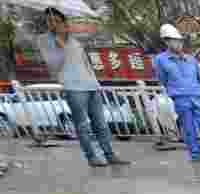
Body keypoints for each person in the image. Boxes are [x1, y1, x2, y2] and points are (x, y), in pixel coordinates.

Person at [35, 7, 130, 168]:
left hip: (91, 85)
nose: (53, 24)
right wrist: (60, 46)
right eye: (49, 21)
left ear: (64, 22)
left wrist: (95, 82)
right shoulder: (44, 40)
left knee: (100, 123)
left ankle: (109, 154)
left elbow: (85, 62)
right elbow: (53, 66)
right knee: (82, 125)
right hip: (73, 87)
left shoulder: (74, 39)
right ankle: (91, 156)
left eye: (57, 21)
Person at [154, 24, 200, 164]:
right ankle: (194, 156)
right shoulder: (160, 60)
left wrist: (196, 90)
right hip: (180, 98)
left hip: (197, 96)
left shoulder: (191, 59)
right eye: (174, 40)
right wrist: (176, 91)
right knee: (189, 129)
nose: (179, 43)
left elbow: (199, 78)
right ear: (167, 42)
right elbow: (163, 79)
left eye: (180, 40)